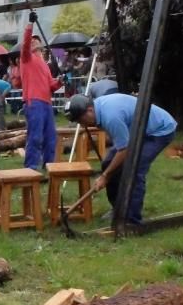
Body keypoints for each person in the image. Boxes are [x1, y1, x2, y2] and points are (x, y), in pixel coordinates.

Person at [65, 94, 176, 226]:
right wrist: (109, 171)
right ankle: (118, 208)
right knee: (108, 163)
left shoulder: (110, 116)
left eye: (81, 120)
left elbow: (124, 150)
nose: (82, 124)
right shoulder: (98, 108)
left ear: (89, 110)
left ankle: (131, 221)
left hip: (158, 130)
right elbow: (122, 144)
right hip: (136, 131)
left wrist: (105, 176)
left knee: (134, 169)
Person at [20, 12, 62, 169]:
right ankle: (31, 166)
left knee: (51, 136)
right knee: (35, 136)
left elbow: (51, 84)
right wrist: (30, 24)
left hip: (46, 102)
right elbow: (25, 43)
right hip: (34, 101)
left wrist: (59, 82)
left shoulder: (44, 64)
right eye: (32, 40)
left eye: (36, 39)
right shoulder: (26, 58)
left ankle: (49, 164)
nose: (34, 41)